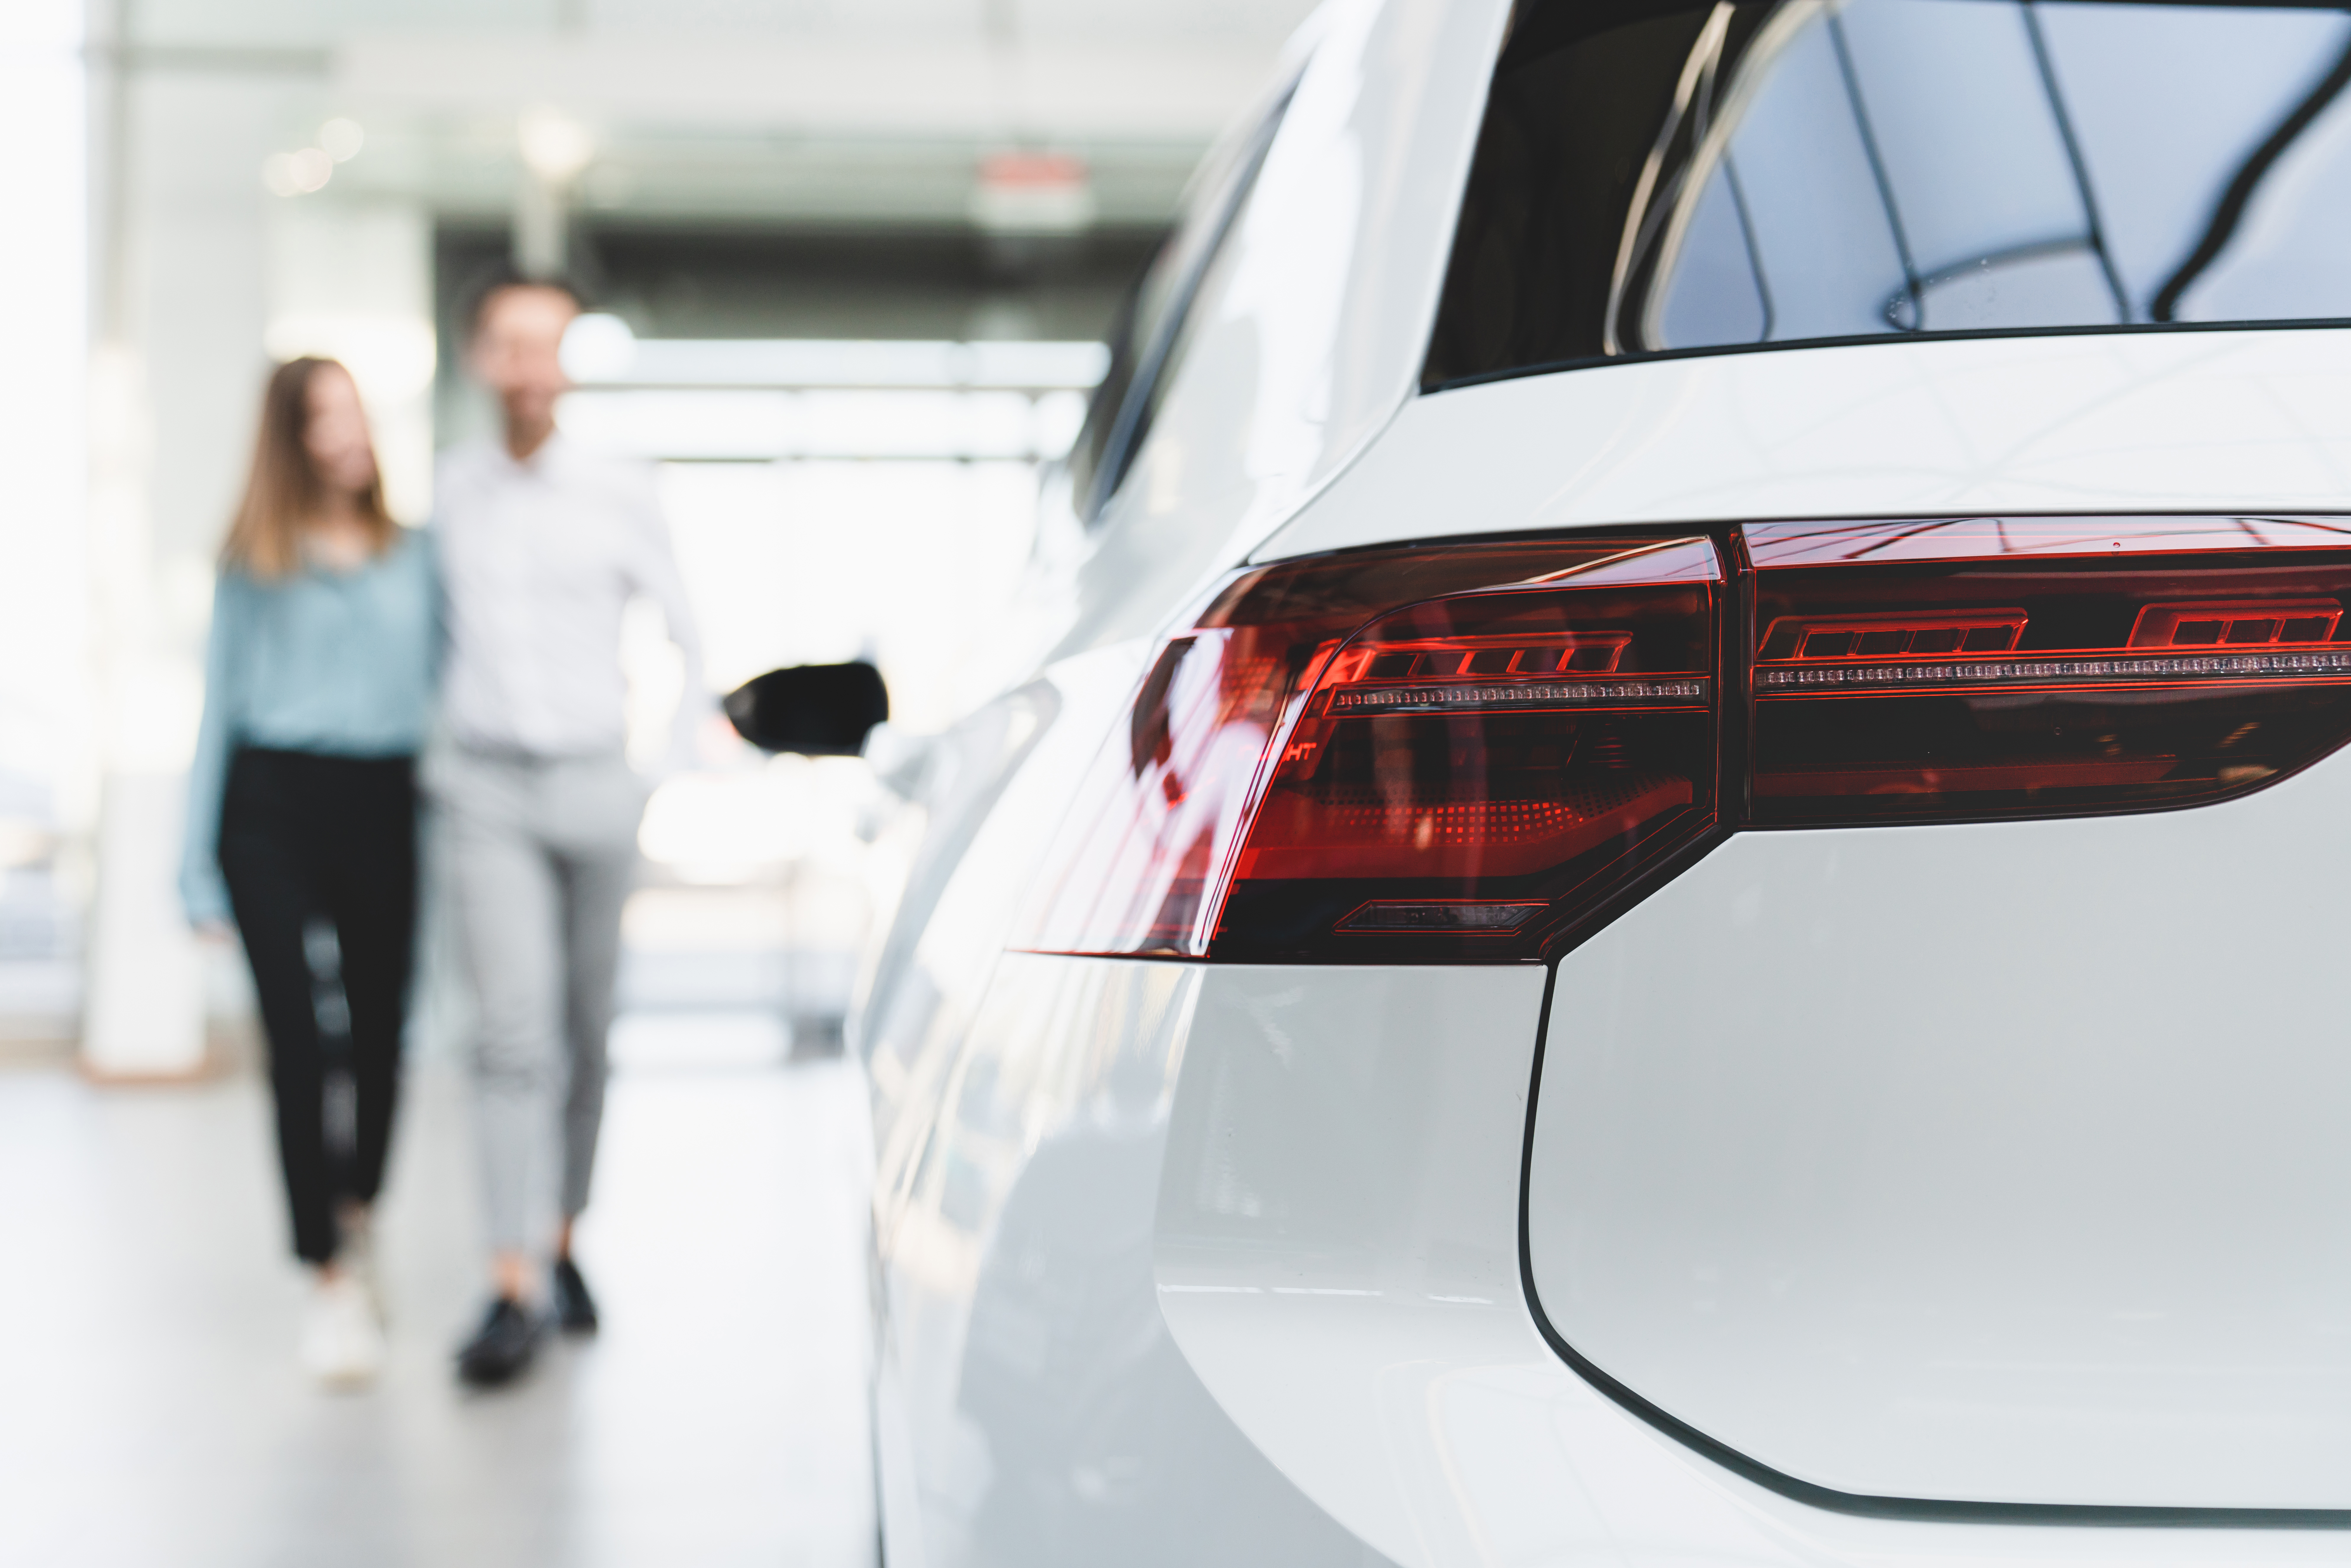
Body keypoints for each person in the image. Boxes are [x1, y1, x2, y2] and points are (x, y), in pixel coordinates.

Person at [429, 272, 708, 1387]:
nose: (529, 368)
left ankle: (560, 1238)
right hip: (484, 791)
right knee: (511, 1037)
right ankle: (510, 1285)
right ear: (478, 359)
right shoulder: (449, 492)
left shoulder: (618, 488)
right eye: (509, 346)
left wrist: (656, 778)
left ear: (570, 364)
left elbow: (692, 639)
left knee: (587, 1034)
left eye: (548, 346)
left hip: (598, 786)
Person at [181, 356, 435, 1388]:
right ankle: (326, 1277)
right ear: (289, 437)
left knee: (379, 1033)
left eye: (353, 414)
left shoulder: (415, 555)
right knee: (297, 1041)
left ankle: (359, 1212)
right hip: (269, 809)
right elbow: (217, 715)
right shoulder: (254, 560)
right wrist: (195, 870)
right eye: (322, 418)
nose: (346, 435)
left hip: (381, 801)